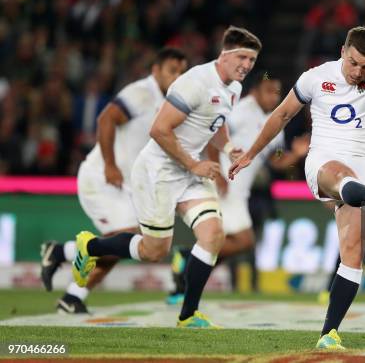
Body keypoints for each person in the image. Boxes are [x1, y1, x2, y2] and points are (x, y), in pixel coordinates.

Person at [230, 25, 365, 349]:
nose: (360, 72)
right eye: (355, 63)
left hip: (363, 169)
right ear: (344, 51)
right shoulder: (315, 78)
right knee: (341, 174)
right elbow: (281, 115)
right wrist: (250, 153)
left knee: (353, 254)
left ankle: (328, 334)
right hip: (323, 163)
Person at [70, 26, 262, 328]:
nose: (247, 65)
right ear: (224, 54)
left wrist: (226, 147)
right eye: (242, 57)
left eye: (252, 60)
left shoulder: (234, 89)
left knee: (213, 234)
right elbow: (159, 130)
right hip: (157, 171)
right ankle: (90, 247)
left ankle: (188, 314)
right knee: (153, 251)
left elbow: (217, 122)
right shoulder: (194, 82)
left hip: (187, 172)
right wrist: (194, 164)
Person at [40, 48, 188, 313]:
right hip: (101, 179)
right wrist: (109, 164)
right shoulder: (142, 92)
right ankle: (60, 253)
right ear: (156, 71)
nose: (177, 77)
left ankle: (72, 297)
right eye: (172, 71)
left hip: (125, 186)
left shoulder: (170, 104)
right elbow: (106, 118)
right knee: (128, 239)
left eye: (181, 72)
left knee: (124, 245)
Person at [167, 74, 309, 303]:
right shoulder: (243, 110)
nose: (274, 97)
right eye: (269, 90)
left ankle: (185, 278)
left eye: (277, 92)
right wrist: (219, 173)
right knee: (244, 241)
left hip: (238, 192)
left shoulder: (275, 123)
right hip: (224, 185)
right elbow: (215, 131)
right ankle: (187, 261)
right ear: (255, 91)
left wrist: (297, 155)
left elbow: (276, 160)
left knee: (228, 243)